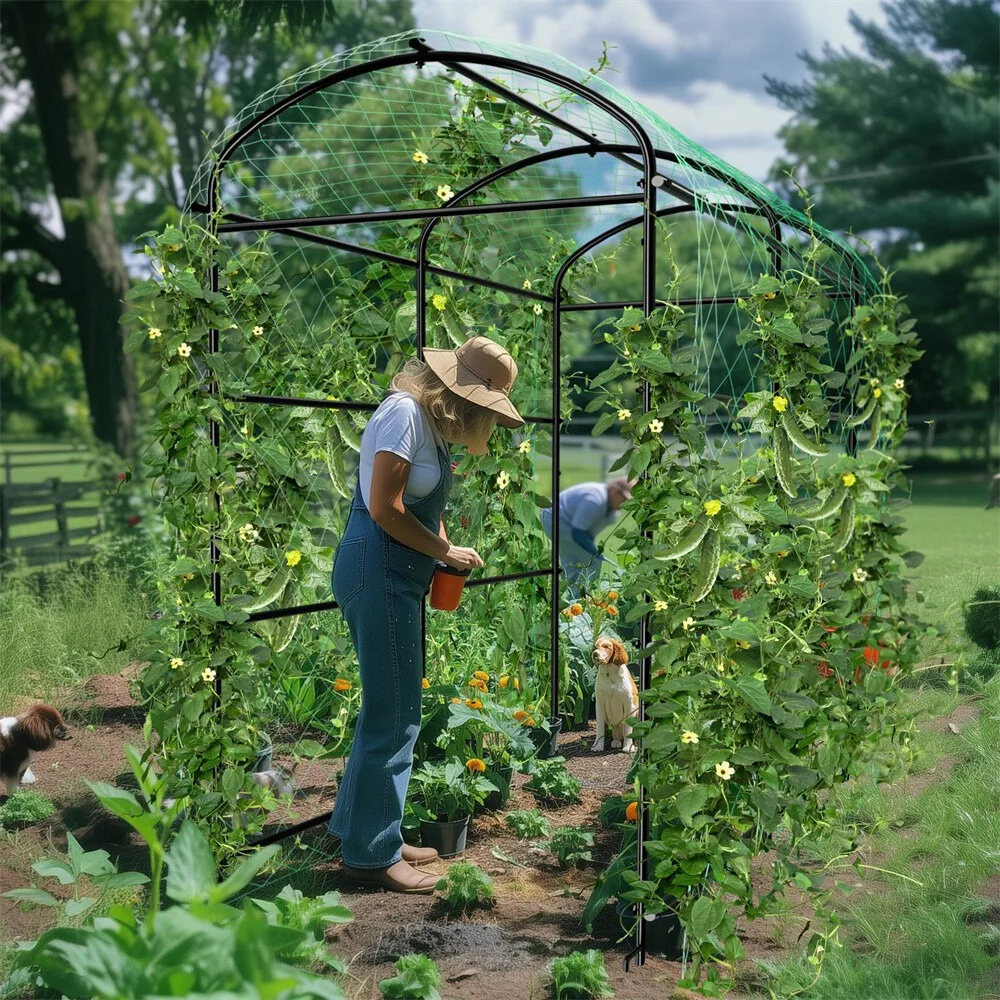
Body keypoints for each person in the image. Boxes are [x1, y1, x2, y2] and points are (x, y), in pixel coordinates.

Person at [328, 335, 523, 894]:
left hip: (397, 571)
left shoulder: (427, 427)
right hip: (378, 566)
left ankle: (360, 828)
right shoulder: (403, 414)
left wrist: (443, 545)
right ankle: (371, 855)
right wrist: (442, 553)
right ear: (458, 393)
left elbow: (419, 505)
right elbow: (384, 507)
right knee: (396, 715)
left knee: (389, 706)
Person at [540, 478, 634, 591]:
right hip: (555, 519)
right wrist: (595, 553)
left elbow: (588, 534)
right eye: (623, 498)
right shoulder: (595, 500)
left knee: (573, 564)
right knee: (592, 561)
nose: (625, 504)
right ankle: (581, 598)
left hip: (568, 525)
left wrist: (591, 550)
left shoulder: (613, 514)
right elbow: (577, 532)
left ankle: (569, 598)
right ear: (614, 490)